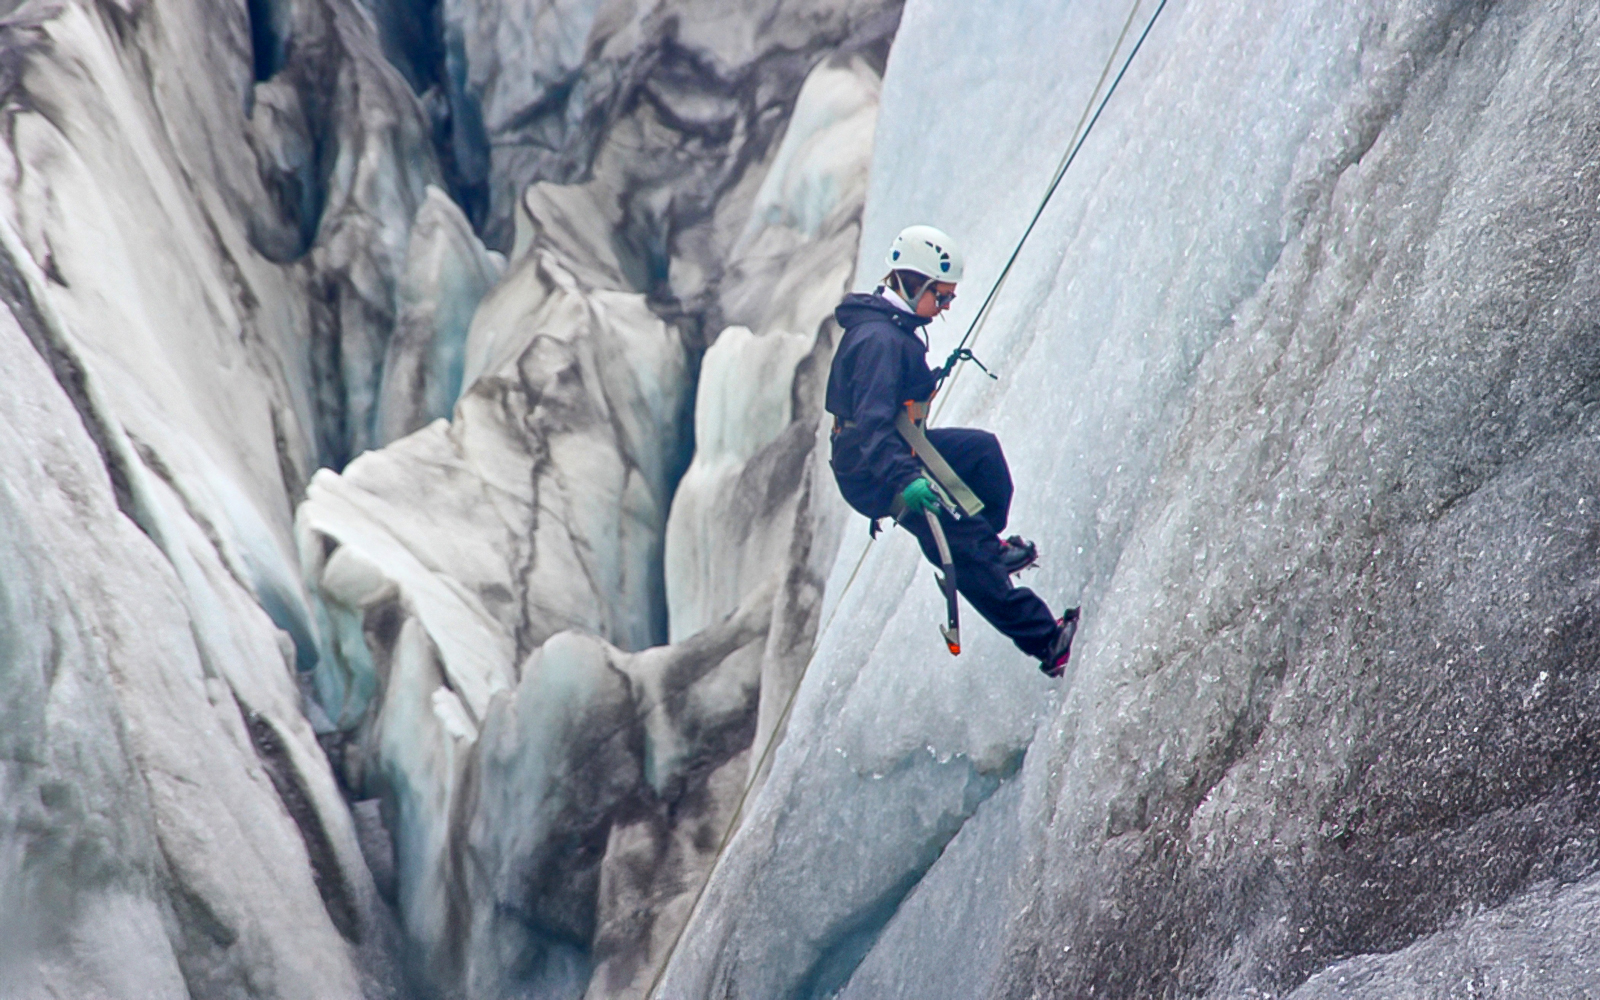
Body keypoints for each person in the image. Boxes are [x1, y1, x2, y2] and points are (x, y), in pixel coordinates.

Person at [825, 224, 1079, 676]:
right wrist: (905, 480)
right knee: (956, 538)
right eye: (940, 296)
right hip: (871, 468)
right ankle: (1047, 643)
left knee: (982, 454)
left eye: (949, 299)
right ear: (911, 283)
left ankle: (985, 545)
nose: (943, 308)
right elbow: (871, 426)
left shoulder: (894, 327)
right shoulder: (879, 342)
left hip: (895, 447)